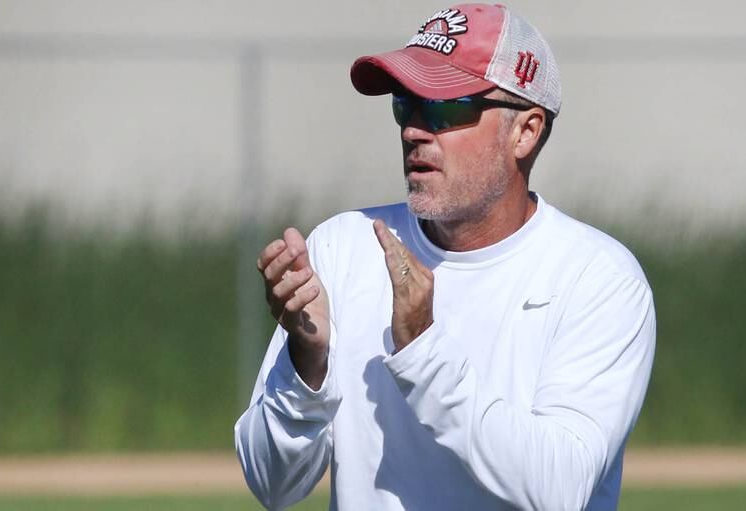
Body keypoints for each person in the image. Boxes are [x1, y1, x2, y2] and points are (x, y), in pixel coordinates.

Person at [235, 3, 655, 510]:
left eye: (446, 107)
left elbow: (559, 487)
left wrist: (424, 351)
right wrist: (307, 365)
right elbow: (270, 483)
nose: (414, 129)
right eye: (404, 104)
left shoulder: (598, 279)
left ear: (525, 131)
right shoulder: (344, 247)